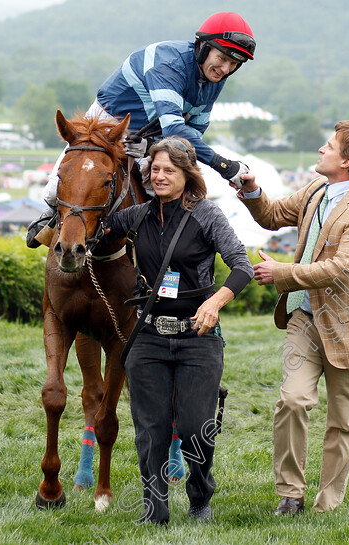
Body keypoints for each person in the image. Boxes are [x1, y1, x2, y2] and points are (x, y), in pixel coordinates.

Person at [235, 121, 349, 515]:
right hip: (304, 317)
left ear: (347, 161)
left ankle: (328, 503)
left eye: (329, 146)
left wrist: (283, 273)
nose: (321, 149)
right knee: (292, 400)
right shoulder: (316, 191)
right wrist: (252, 190)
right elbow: (271, 216)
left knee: (343, 420)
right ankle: (291, 493)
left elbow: (339, 268)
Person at [106, 137, 253, 524]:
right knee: (150, 431)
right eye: (155, 169)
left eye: (169, 170)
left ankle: (200, 496)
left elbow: (242, 266)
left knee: (193, 429)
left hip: (197, 338)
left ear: (188, 175)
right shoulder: (135, 216)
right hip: (149, 336)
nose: (160, 176)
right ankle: (155, 509)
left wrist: (215, 302)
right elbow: (92, 227)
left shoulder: (207, 214)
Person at [27, 11, 256, 248]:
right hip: (108, 125)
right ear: (203, 47)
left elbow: (191, 138)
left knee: (167, 189)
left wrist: (154, 148)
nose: (225, 69)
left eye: (234, 63)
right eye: (222, 58)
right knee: (54, 191)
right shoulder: (170, 63)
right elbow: (176, 130)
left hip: (154, 137)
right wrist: (225, 167)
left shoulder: (213, 79)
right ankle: (49, 218)